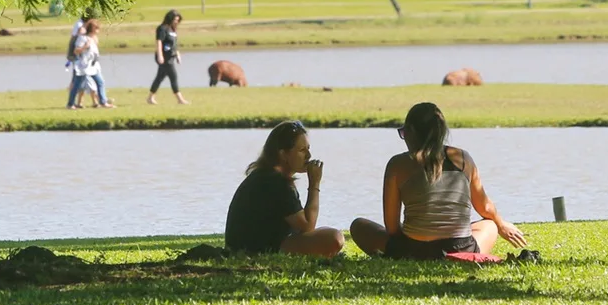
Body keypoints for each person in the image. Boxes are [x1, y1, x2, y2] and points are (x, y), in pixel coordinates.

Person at [350, 102, 528, 260]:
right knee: (489, 225)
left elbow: (392, 228)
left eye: (403, 133)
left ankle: (398, 256)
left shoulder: (397, 164)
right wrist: (501, 224)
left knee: (358, 226)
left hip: (412, 250)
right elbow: (485, 207)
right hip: (460, 249)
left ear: (411, 131)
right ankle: (465, 256)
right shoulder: (463, 158)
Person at [224, 121, 345, 256]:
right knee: (334, 238)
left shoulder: (267, 175)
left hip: (248, 245)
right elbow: (307, 226)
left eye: (308, 149)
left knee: (327, 236)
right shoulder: (275, 182)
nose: (309, 156)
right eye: (302, 150)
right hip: (257, 248)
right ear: (283, 154)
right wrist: (314, 184)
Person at [147, 9, 188, 105]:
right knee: (173, 76)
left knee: (159, 78)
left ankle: (150, 98)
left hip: (171, 56)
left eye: (178, 20)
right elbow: (159, 42)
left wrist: (177, 54)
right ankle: (180, 99)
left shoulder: (172, 29)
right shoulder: (162, 28)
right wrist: (160, 55)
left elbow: (174, 44)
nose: (177, 22)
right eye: (175, 20)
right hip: (164, 57)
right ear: (170, 19)